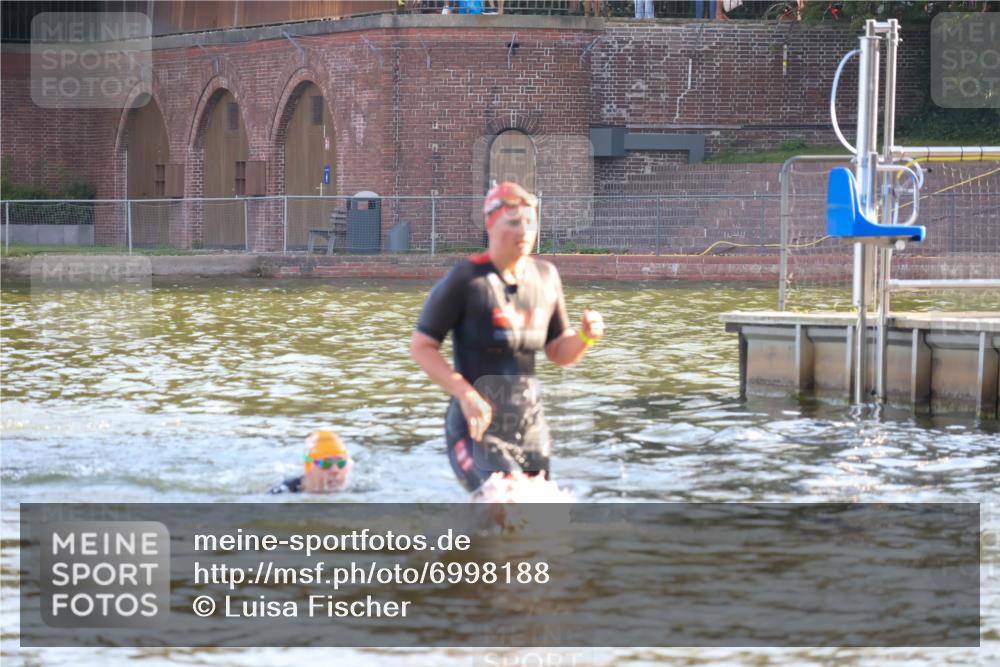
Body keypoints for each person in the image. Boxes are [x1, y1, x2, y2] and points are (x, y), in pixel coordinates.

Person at [410, 182, 605, 495]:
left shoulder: (545, 277)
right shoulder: (466, 280)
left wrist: (585, 336)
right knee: (504, 506)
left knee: (539, 523)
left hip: (531, 428)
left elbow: (557, 351)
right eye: (513, 222)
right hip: (478, 427)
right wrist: (465, 393)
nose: (524, 230)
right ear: (490, 225)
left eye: (530, 222)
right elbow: (422, 347)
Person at [269, 430, 353, 494]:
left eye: (341, 463)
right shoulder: (282, 493)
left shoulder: (356, 491)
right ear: (308, 467)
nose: (335, 470)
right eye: (325, 464)